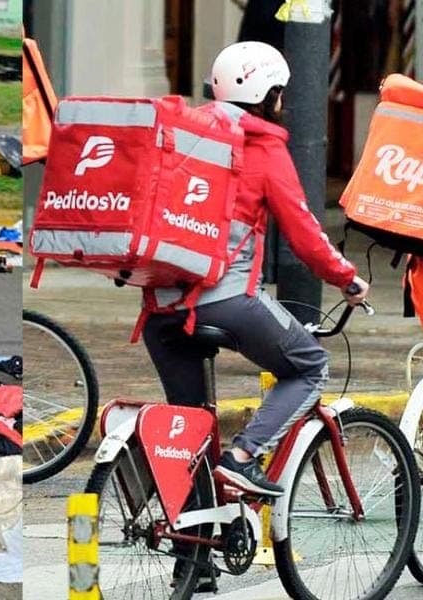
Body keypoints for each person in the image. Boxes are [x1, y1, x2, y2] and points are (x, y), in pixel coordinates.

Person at [142, 41, 369, 498]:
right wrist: (347, 278)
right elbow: (304, 232)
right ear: (269, 96)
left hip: (159, 308)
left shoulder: (183, 131)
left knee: (192, 439)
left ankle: (194, 562)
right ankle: (243, 458)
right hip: (225, 301)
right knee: (309, 366)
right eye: (280, 94)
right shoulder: (262, 147)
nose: (283, 104)